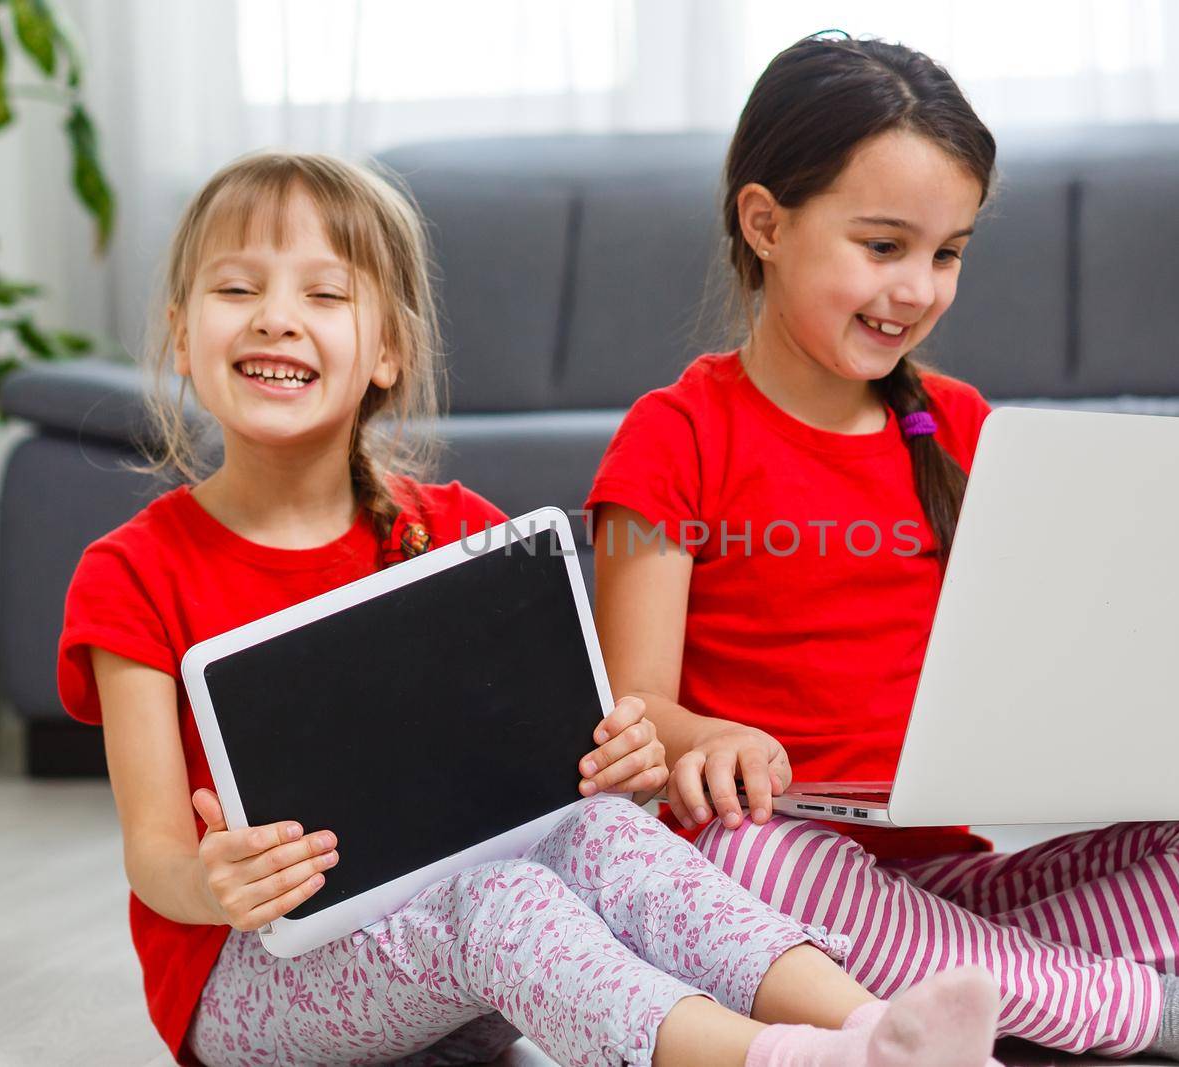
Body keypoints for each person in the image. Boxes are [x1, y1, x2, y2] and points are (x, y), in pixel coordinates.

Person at [57, 150, 1005, 1067]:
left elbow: (566, 773)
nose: (277, 321)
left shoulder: (464, 531)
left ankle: (884, 1034)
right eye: (238, 291)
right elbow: (156, 860)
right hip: (261, 986)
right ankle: (787, 1060)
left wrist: (624, 763)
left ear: (387, 350)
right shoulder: (132, 571)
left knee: (599, 829)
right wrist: (216, 884)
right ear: (182, 335)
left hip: (472, 988)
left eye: (323, 294)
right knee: (501, 897)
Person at [587, 33, 1179, 1067]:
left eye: (947, 253)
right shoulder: (677, 434)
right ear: (765, 222)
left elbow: (1045, 658)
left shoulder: (964, 426)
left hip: (944, 879)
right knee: (748, 859)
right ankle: (1150, 1013)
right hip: (779, 873)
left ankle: (959, 996)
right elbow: (632, 713)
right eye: (882, 246)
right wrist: (706, 734)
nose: (918, 289)